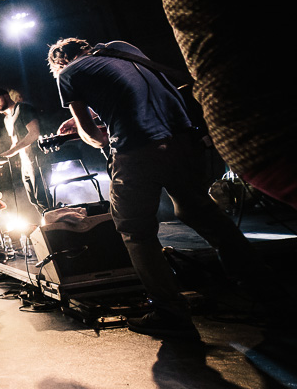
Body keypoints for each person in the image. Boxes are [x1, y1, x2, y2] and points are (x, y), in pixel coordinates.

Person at [82, 0, 297, 208]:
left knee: (141, 220)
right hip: (252, 118)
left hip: (244, 125)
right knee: (191, 209)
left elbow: (93, 135)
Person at [47, 37, 259, 339]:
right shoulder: (122, 48)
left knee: (135, 230)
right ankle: (266, 295)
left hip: (138, 149)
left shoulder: (68, 74)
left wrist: (84, 129)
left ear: (59, 63)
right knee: (205, 215)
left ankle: (170, 312)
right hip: (183, 140)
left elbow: (95, 137)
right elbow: (136, 92)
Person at [0, 88, 51, 214]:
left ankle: (56, 221)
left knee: (42, 198)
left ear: (6, 96)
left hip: (37, 158)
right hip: (25, 162)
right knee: (33, 200)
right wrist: (1, 156)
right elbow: (15, 143)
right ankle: (48, 220)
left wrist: (11, 152)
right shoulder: (7, 119)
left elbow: (34, 133)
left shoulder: (23, 109)